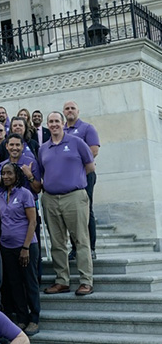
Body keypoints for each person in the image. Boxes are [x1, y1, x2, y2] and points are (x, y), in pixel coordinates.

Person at [39, 111, 95, 296]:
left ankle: (86, 280)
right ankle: (62, 280)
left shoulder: (76, 142)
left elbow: (90, 167)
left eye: (57, 121)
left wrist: (74, 182)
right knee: (57, 242)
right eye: (51, 121)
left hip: (74, 197)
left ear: (63, 123)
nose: (54, 124)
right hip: (50, 199)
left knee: (80, 239)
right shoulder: (43, 148)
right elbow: (42, 172)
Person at [0, 163, 40, 335]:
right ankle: (22, 317)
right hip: (7, 247)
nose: (6, 176)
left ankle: (34, 318)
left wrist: (26, 247)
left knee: (29, 282)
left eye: (9, 173)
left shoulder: (25, 194)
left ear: (16, 175)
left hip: (26, 246)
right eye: (3, 173)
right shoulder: (1, 195)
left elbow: (32, 222)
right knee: (14, 284)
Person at [63, 101, 101, 257]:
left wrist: (77, 170)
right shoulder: (61, 130)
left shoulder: (87, 128)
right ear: (63, 112)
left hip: (85, 176)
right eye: (67, 108)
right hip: (66, 179)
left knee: (86, 211)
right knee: (70, 213)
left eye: (73, 108)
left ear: (78, 111)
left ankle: (90, 248)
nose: (70, 111)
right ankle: (75, 247)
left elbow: (94, 151)